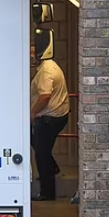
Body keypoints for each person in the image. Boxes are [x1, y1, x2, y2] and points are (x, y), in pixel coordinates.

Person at [30, 37, 69, 202]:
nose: (31, 56)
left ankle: (47, 192)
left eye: (32, 53)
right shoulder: (50, 66)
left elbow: (45, 96)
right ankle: (51, 169)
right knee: (40, 147)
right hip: (56, 116)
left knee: (41, 153)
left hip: (48, 118)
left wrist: (32, 113)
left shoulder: (46, 71)